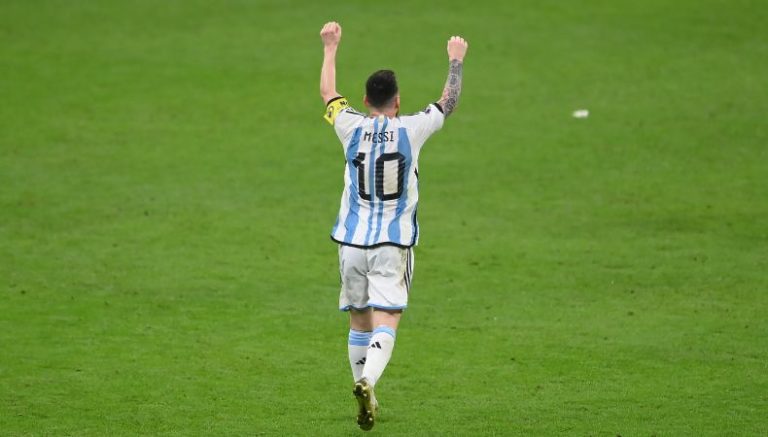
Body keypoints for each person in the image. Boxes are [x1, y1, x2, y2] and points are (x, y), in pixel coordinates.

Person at [319, 21, 468, 431]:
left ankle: (363, 388)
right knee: (387, 318)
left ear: (366, 100)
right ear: (397, 102)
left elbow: (328, 93)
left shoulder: (349, 125)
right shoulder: (411, 128)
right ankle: (368, 381)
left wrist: (330, 47)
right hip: (393, 244)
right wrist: (455, 60)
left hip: (351, 242)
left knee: (358, 320)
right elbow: (448, 102)